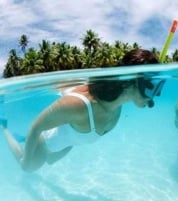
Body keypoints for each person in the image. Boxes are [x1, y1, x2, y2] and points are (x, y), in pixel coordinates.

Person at [0, 49, 165, 172]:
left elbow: (78, 136)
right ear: (132, 81)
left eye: (159, 87)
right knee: (27, 168)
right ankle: (4, 126)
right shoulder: (79, 105)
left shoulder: (117, 106)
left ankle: (25, 141)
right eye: (152, 87)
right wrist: (26, 161)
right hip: (46, 140)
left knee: (50, 160)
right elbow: (36, 127)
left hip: (64, 144)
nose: (155, 96)